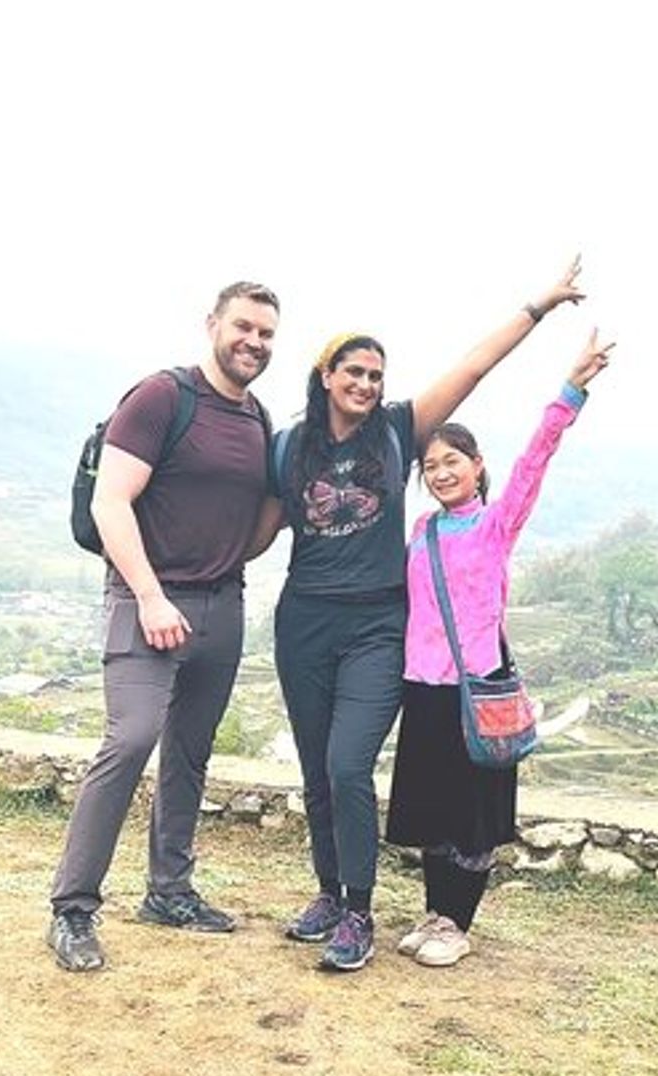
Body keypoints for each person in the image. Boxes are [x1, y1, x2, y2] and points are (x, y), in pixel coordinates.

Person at [253, 258, 585, 972]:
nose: (367, 384)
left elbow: (473, 367)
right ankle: (329, 895)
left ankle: (359, 911)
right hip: (304, 623)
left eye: (376, 374)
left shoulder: (397, 432)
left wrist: (539, 307)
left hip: (377, 628)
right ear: (325, 376)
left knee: (347, 766)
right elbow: (258, 524)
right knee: (317, 773)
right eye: (354, 372)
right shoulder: (290, 445)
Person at [48, 281, 280, 973]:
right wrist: (151, 597)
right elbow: (111, 501)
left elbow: (254, 522)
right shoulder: (160, 397)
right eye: (244, 327)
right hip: (145, 601)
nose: (254, 342)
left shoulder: (258, 419)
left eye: (266, 333)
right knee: (131, 739)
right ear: (213, 325)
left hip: (221, 606)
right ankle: (72, 909)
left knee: (189, 752)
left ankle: (170, 892)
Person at [387, 328, 615, 967]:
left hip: (476, 691)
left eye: (452, 461)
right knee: (433, 814)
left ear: (477, 465)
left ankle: (457, 925)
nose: (441, 473)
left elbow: (536, 460)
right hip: (423, 689)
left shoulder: (495, 524)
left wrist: (570, 391)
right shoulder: (423, 528)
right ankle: (435, 913)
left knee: (470, 817)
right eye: (431, 466)